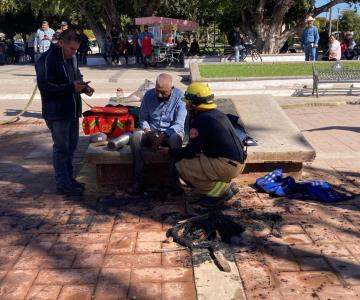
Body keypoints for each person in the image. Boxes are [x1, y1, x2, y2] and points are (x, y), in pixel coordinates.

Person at [165, 82, 246, 207]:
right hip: (235, 163)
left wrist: (169, 151)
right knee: (194, 161)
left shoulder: (201, 121)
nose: (186, 105)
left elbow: (190, 151)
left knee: (181, 166)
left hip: (227, 165)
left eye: (188, 103)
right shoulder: (215, 114)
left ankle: (222, 191)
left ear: (194, 104)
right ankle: (222, 186)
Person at [35, 29, 95, 197]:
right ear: (61, 43)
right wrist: (70, 88)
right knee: (61, 149)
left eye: (76, 49)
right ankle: (62, 184)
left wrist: (85, 87)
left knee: (71, 148)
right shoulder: (46, 59)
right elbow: (45, 86)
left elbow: (77, 76)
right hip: (57, 113)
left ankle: (69, 179)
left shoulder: (72, 58)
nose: (74, 52)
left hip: (72, 111)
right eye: (71, 49)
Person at [126, 73, 187, 195]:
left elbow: (179, 124)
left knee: (176, 139)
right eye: (157, 91)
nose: (159, 95)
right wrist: (149, 133)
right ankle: (138, 180)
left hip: (171, 133)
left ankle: (173, 181)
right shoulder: (148, 95)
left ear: (172, 88)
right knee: (135, 138)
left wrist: (162, 137)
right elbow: (143, 119)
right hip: (152, 132)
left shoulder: (180, 97)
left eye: (163, 92)